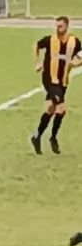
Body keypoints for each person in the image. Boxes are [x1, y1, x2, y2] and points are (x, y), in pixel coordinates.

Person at [31, 15, 82, 155]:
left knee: (50, 109)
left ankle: (37, 136)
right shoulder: (50, 40)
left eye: (60, 26)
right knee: (61, 109)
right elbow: (36, 45)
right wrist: (37, 62)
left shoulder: (74, 42)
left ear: (67, 26)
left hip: (63, 81)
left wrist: (76, 63)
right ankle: (53, 138)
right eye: (56, 26)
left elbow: (80, 56)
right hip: (49, 79)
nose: (58, 29)